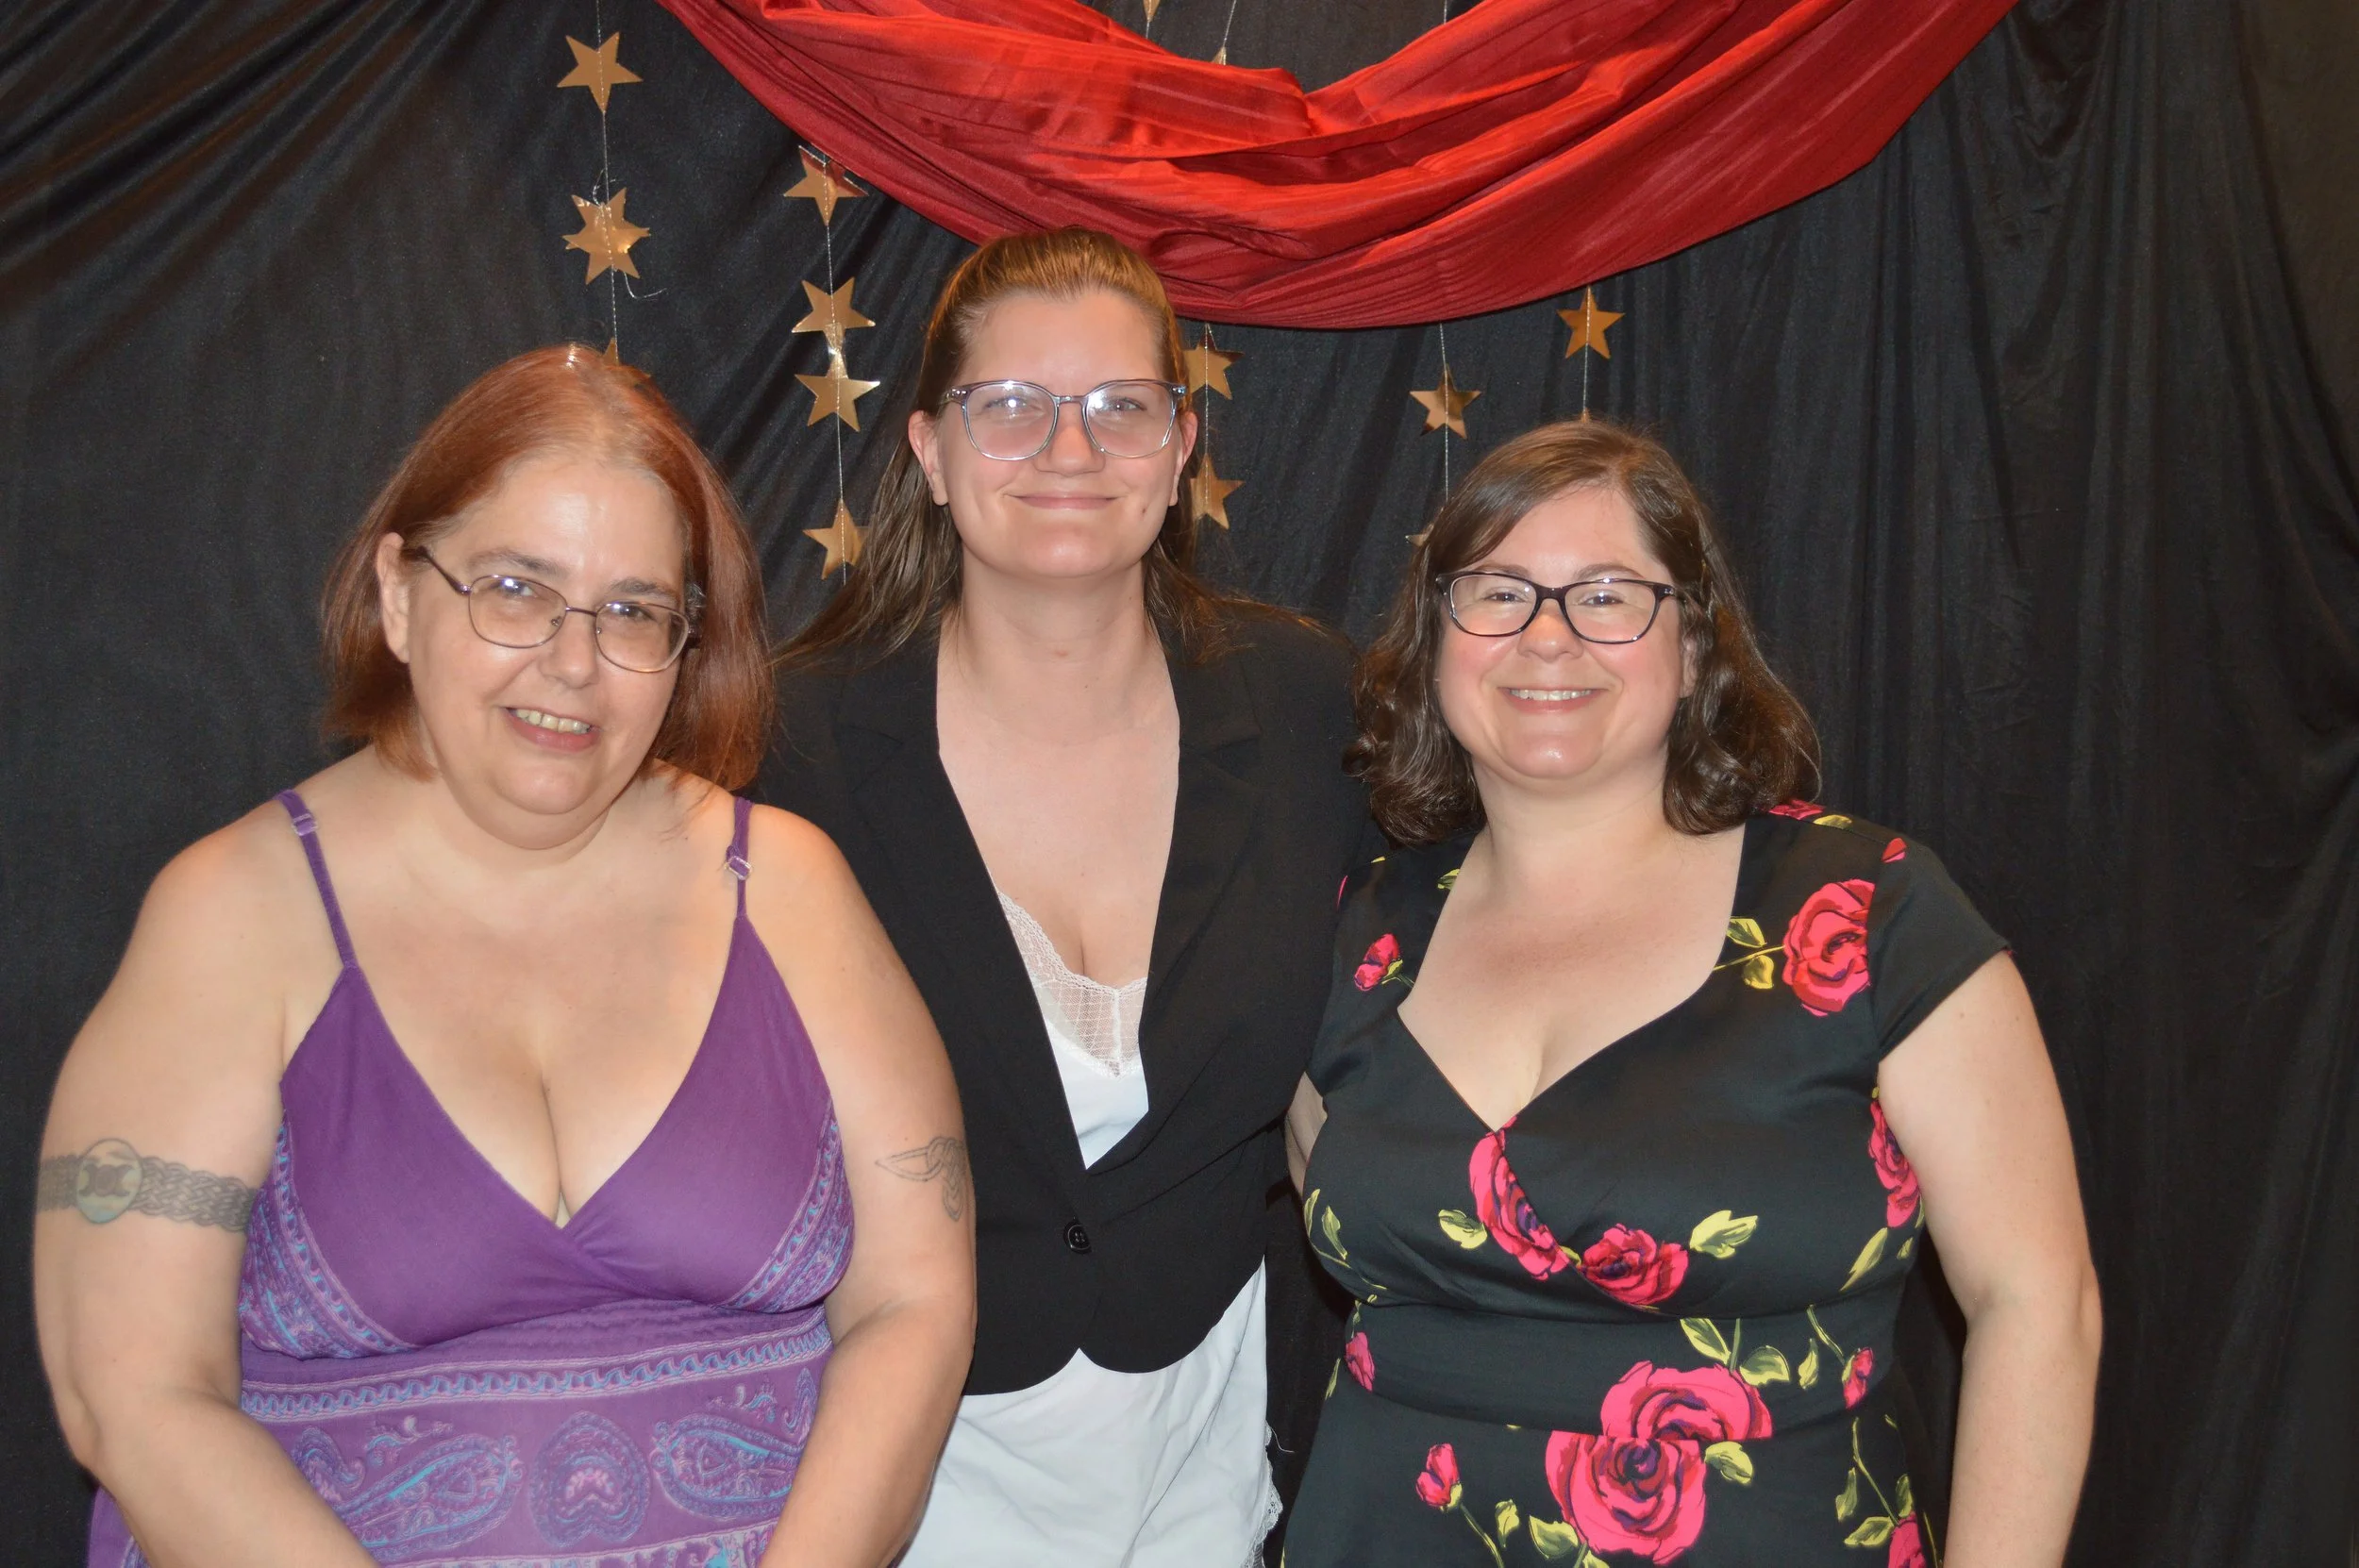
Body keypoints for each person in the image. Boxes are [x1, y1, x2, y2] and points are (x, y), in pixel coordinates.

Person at [34, 345, 974, 1568]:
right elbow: (133, 1390)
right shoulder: (235, 915)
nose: (573, 662)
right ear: (399, 593)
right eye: (517, 589)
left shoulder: (791, 890)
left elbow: (916, 1297)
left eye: (634, 609)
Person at [1282, 420, 2101, 1566]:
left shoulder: (1869, 914)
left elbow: (2036, 1304)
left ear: (1693, 640)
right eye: (1498, 592)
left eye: (1609, 595)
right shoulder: (1345, 939)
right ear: (1435, 637)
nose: (1547, 638)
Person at [760, 227, 1366, 1568]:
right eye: (1013, 408)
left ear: (1182, 442)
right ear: (927, 448)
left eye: (1119, 407)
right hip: (904, 1482)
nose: (1071, 451)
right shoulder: (788, 749)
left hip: (1215, 1476)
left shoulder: (1308, 704)